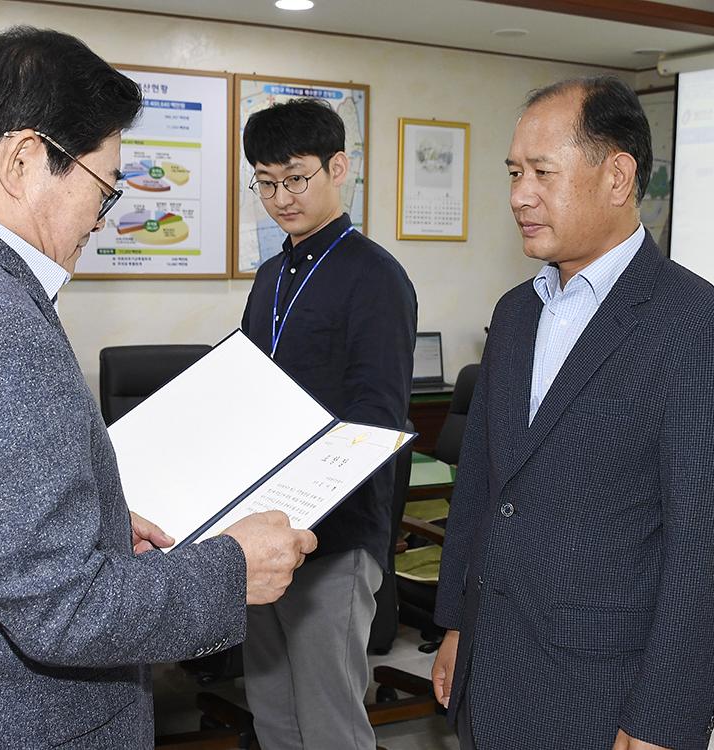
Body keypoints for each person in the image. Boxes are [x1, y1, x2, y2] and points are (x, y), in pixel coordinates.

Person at [0, 27, 315, 749]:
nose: (99, 220)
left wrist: (102, 524)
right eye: (102, 188)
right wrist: (230, 569)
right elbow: (61, 610)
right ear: (24, 160)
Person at [431, 76, 714, 750]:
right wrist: (457, 625)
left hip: (601, 690)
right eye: (515, 172)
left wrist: (665, 718)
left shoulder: (699, 329)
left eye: (543, 172)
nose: (520, 194)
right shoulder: (516, 314)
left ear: (617, 177)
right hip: (492, 668)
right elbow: (483, 490)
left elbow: (706, 556)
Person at [240, 98, 417, 750]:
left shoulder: (375, 278)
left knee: (330, 723)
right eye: (264, 181)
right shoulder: (269, 278)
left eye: (295, 177)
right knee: (273, 714)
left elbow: (375, 418)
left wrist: (299, 509)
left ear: (339, 167)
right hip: (261, 532)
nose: (280, 197)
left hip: (333, 538)